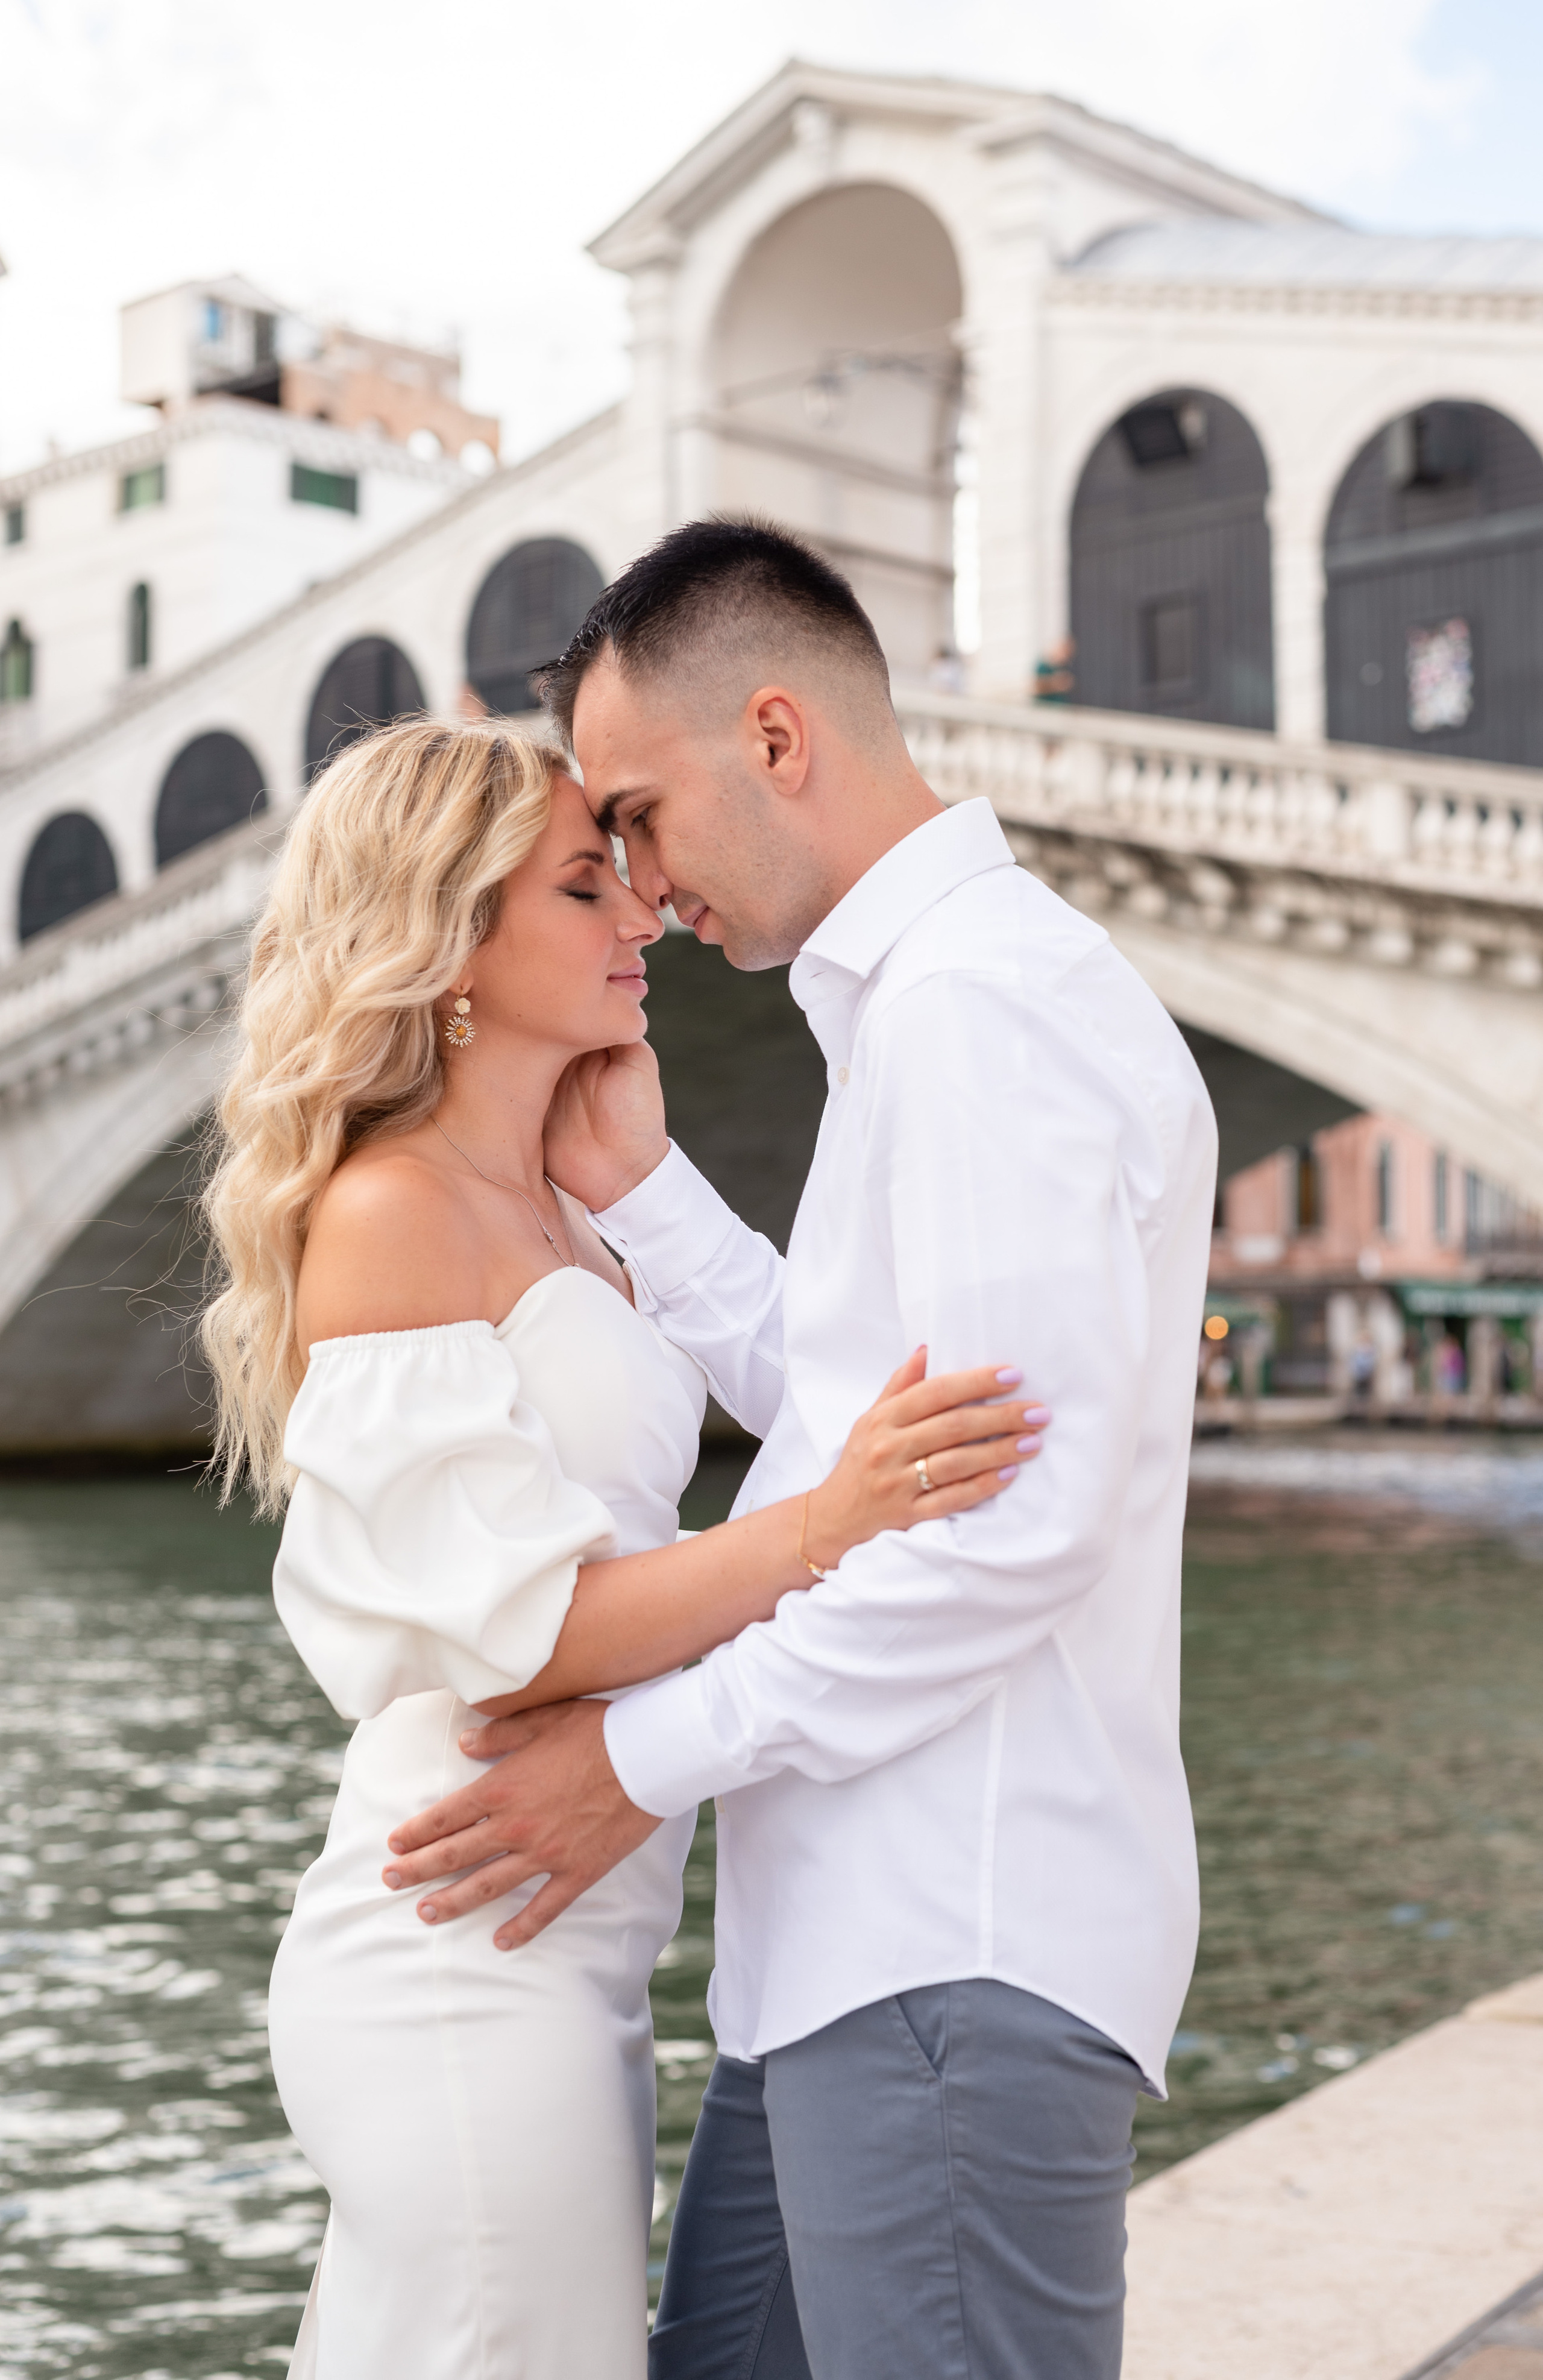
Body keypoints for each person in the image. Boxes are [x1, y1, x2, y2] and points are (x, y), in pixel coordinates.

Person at [384, 523, 1219, 2380]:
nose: (640, 885)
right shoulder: (933, 1009)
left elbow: (1010, 1526)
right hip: (849, 1953)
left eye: (638, 817)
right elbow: (861, 1418)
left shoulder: (977, 1015)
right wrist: (644, 1191)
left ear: (774, 736)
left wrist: (638, 1759)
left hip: (950, 1943)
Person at [197, 717, 1043, 2378]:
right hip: (462, 1937)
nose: (643, 912)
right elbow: (533, 1632)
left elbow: (775, 1408)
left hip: (570, 1940)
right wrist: (825, 1528)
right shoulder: (392, 1210)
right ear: (449, 937)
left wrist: (642, 1177)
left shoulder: (567, 1210)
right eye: (585, 887)